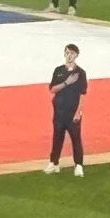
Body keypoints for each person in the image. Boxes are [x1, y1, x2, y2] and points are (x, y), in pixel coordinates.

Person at [44, 43, 86, 177]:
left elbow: (82, 94)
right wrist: (66, 82)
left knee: (76, 139)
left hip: (72, 112)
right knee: (57, 138)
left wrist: (78, 111)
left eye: (72, 53)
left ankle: (78, 165)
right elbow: (52, 89)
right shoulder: (58, 70)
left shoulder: (81, 73)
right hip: (59, 111)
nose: (69, 56)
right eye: (67, 53)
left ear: (76, 55)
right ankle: (54, 163)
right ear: (64, 54)